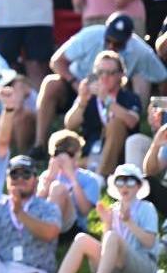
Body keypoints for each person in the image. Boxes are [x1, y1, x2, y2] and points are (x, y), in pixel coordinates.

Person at [33, 13, 167, 158]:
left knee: (117, 123)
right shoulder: (90, 35)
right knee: (50, 84)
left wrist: (161, 106)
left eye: (118, 43)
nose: (111, 46)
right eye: (109, 40)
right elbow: (56, 61)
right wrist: (77, 88)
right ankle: (39, 145)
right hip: (78, 85)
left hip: (115, 97)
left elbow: (162, 77)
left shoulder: (140, 51)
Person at [43, 163, 162, 273]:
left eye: (130, 180)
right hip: (117, 268)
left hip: (144, 267)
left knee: (112, 236)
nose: (124, 186)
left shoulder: (147, 208)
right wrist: (107, 223)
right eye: (120, 180)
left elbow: (149, 243)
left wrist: (129, 222)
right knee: (82, 239)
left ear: (139, 185)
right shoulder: (114, 209)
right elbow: (108, 248)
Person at [65, 50, 141, 177]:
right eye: (100, 72)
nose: (104, 77)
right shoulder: (89, 96)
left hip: (120, 155)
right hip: (91, 153)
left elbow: (132, 121)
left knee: (115, 123)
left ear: (121, 75)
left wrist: (106, 100)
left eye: (110, 73)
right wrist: (82, 101)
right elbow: (70, 125)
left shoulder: (130, 97)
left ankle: (101, 177)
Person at [36, 129, 100, 238]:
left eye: (69, 154)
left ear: (77, 154)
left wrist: (72, 177)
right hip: (44, 221)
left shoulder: (90, 179)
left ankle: (43, 235)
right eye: (58, 153)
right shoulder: (46, 175)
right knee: (55, 187)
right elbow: (36, 204)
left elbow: (84, 210)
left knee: (58, 188)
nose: (63, 158)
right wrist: (51, 177)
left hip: (73, 226)